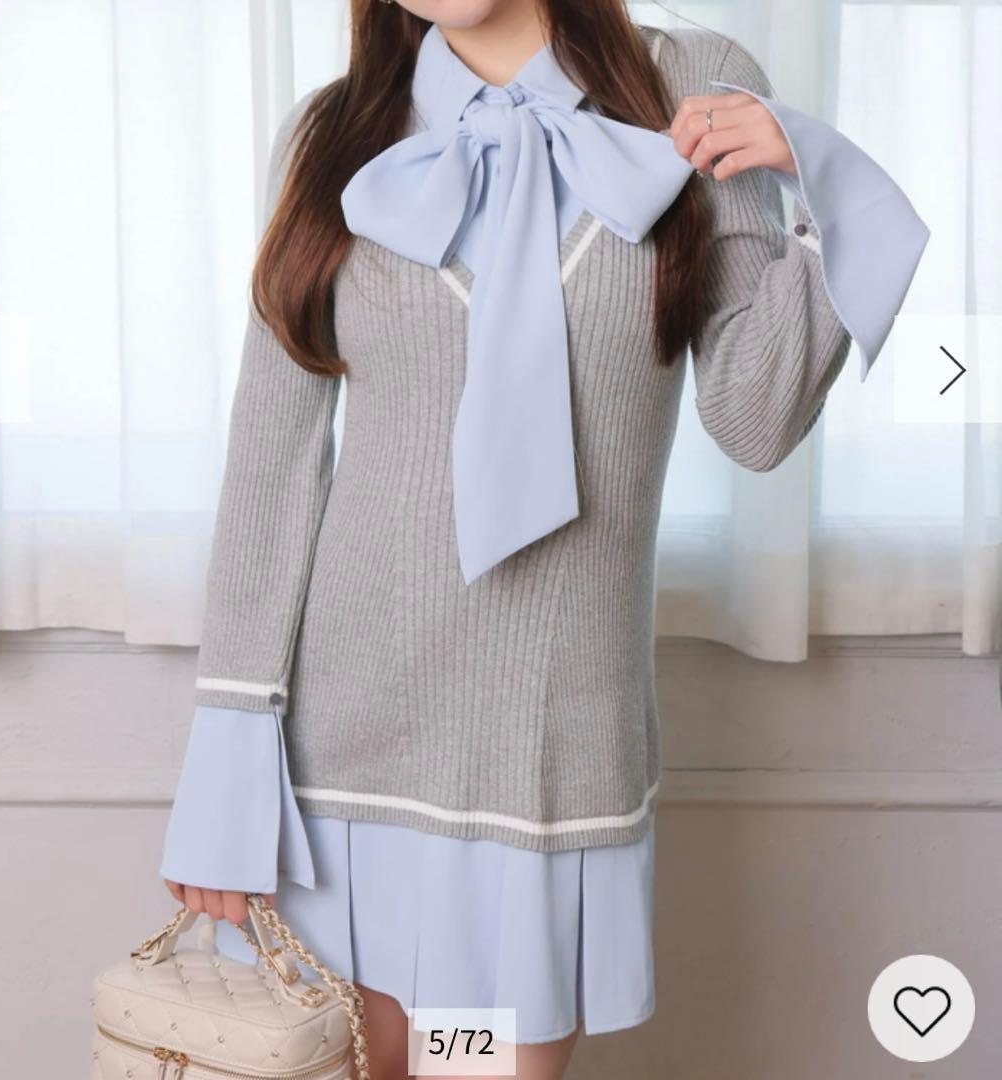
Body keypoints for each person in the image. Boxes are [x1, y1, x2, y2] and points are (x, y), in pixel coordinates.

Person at [158, 2, 928, 1077]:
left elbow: (755, 418)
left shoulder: (690, 84)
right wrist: (225, 778)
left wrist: (826, 190)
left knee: (471, 1070)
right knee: (364, 1067)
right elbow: (270, 469)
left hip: (545, 759)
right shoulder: (335, 130)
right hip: (341, 769)